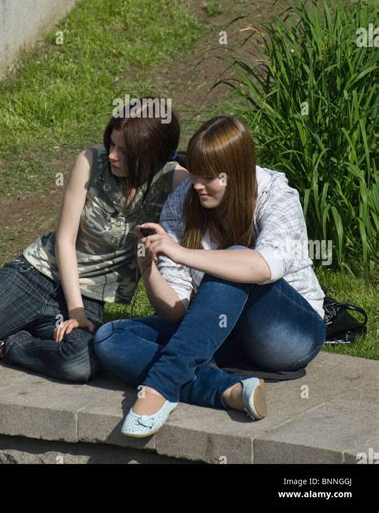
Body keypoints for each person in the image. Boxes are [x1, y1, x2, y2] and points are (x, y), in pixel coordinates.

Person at [0, 98, 187, 383]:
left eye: (124, 151)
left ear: (150, 154)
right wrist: (76, 312)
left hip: (90, 296)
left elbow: (204, 194)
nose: (113, 155)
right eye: (112, 144)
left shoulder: (172, 180)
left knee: (80, 362)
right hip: (35, 275)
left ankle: (7, 344)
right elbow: (64, 240)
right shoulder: (91, 161)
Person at [94, 115, 326, 436]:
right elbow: (177, 309)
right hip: (218, 334)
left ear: (237, 173)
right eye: (195, 174)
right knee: (110, 338)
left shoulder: (278, 197)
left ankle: (161, 387)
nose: (198, 185)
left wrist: (182, 253)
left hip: (288, 334)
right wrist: (148, 268)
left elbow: (264, 266)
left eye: (210, 178)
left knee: (234, 261)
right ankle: (226, 390)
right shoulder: (182, 202)